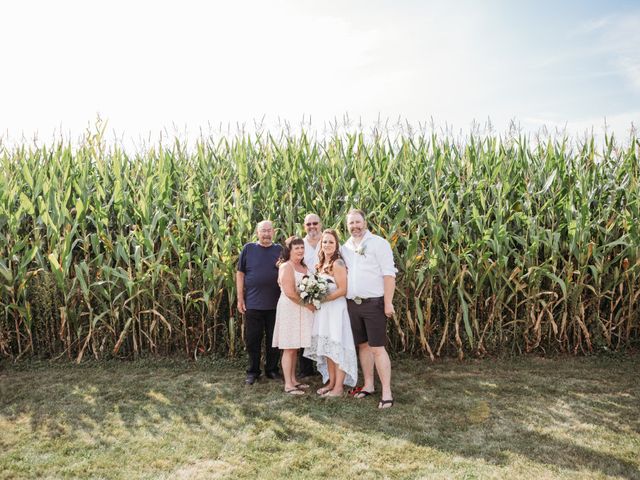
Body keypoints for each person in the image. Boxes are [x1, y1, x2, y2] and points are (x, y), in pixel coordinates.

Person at [341, 209, 397, 409]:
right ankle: (369, 385)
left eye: (358, 222)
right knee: (363, 346)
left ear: (365, 222)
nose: (355, 226)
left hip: (374, 303)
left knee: (377, 348)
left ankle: (387, 392)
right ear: (347, 226)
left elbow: (389, 274)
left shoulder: (379, 243)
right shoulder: (345, 247)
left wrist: (388, 302)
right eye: (351, 223)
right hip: (352, 305)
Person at [304, 229, 358, 397]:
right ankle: (331, 383)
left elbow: (343, 290)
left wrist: (323, 299)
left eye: (331, 242)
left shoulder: (338, 263)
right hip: (323, 312)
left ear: (336, 245)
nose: (327, 245)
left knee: (337, 346)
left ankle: (338, 388)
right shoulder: (320, 264)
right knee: (328, 348)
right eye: (324, 242)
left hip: (335, 309)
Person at [236, 220, 283, 385]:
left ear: (274, 232)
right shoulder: (248, 249)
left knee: (274, 340)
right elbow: (240, 274)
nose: (266, 234)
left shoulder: (279, 250)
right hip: (253, 303)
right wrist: (240, 298)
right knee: (252, 339)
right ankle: (253, 371)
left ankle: (272, 370)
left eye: (269, 230)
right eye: (263, 231)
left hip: (275, 304)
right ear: (257, 232)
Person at [272, 236, 315, 395]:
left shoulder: (304, 266)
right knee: (289, 347)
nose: (300, 251)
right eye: (296, 248)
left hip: (301, 309)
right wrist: (309, 305)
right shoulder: (286, 266)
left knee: (295, 346)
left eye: (302, 248)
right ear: (289, 250)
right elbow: (290, 293)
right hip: (290, 308)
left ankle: (294, 380)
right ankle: (288, 384)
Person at [298, 213, 323, 378]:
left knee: (324, 329)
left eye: (315, 223)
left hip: (326, 292)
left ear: (320, 224)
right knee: (305, 329)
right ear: (304, 226)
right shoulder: (299, 244)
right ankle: (306, 369)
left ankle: (325, 368)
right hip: (305, 293)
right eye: (308, 224)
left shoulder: (328, 241)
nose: (312, 227)